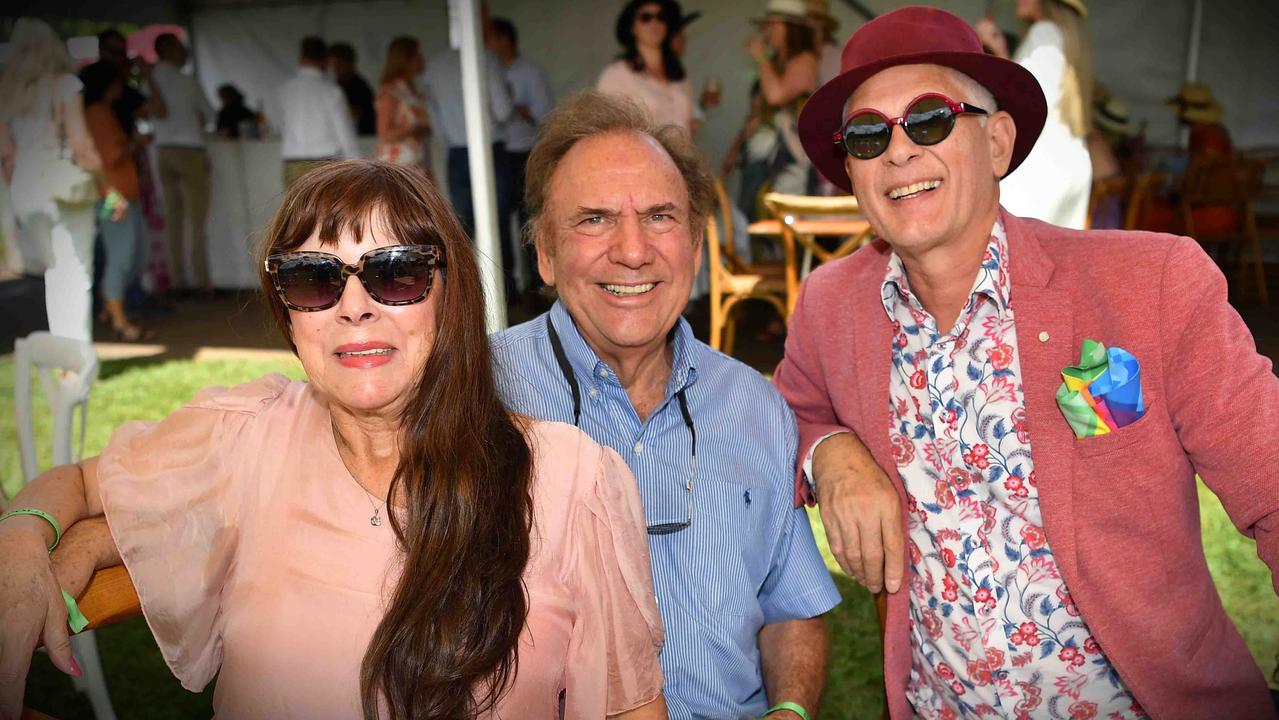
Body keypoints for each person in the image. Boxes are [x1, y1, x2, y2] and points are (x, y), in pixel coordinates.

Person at [0, 160, 668, 720]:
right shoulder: (247, 437)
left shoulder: (569, 480)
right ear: (287, 313)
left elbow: (628, 707)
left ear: (449, 295)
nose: (354, 307)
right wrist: (22, 536)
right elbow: (84, 484)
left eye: (396, 273)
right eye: (313, 278)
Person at [776, 7, 1279, 719]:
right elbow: (786, 411)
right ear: (850, 170)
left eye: (928, 119)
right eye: (866, 134)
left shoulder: (1150, 285)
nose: (897, 152)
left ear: (997, 140)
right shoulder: (832, 304)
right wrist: (831, 454)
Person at [492, 91, 840, 720]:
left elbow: (791, 609)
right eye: (594, 219)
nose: (632, 250)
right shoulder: (480, 396)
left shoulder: (753, 405)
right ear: (544, 253)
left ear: (696, 248)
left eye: (660, 217)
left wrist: (789, 712)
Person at [0, 18, 103, 342]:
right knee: (75, 275)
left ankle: (64, 354)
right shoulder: (64, 84)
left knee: (54, 274)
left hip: (25, 191)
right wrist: (103, 181)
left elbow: (5, 153)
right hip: (62, 186)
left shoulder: (7, 92)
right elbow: (81, 144)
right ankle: (76, 363)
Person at [976, 0, 1092, 229]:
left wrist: (992, 47)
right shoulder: (1066, 40)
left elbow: (1023, 100)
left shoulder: (1044, 33)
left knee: (1019, 253)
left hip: (1041, 170)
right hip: (1071, 163)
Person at [423, 11, 514, 251]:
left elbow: (434, 117)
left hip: (456, 151)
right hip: (489, 149)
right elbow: (503, 110)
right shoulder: (486, 58)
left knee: (463, 229)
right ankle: (502, 287)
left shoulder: (434, 65)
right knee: (497, 224)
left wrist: (450, 140)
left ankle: (467, 285)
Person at [80, 61, 152, 341]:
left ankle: (111, 312)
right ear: (111, 85)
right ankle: (120, 321)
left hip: (118, 195)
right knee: (122, 257)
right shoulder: (98, 113)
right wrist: (132, 143)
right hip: (113, 197)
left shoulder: (98, 112)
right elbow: (109, 156)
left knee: (132, 255)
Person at [488, 17, 554, 294]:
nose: (485, 44)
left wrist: (519, 110)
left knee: (529, 219)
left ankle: (538, 284)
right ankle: (507, 286)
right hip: (497, 153)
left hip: (526, 152)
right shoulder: (487, 70)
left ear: (504, 39)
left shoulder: (529, 72)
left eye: (490, 37)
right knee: (499, 220)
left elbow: (546, 114)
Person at [149, 32, 215, 295]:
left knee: (173, 220)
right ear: (169, 49)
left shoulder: (150, 79)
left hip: (163, 150)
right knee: (196, 221)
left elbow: (156, 111)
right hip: (190, 150)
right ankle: (201, 281)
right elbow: (209, 115)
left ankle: (177, 281)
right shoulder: (187, 81)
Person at [597, 0, 697, 135]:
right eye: (646, 18)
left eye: (661, 17)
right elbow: (606, 131)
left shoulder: (678, 73)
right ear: (632, 27)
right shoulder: (617, 73)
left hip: (682, 155)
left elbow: (689, 123)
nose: (654, 23)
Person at [278, 36, 360, 189]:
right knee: (328, 212)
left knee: (295, 211)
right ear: (326, 60)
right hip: (325, 164)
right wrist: (356, 167)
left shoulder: (285, 89)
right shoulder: (332, 91)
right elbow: (345, 134)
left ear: (301, 57)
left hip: (292, 162)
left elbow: (279, 125)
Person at [374, 37, 430, 170]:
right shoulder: (391, 92)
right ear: (406, 60)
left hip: (417, 160)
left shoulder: (413, 91)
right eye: (417, 56)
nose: (422, 59)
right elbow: (384, 134)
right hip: (398, 164)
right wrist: (413, 129)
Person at [1168, 81, 1232, 158]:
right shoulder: (1203, 130)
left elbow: (1207, 163)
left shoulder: (1207, 134)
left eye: (1179, 113)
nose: (1176, 116)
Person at [329, 42, 377, 137]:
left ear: (349, 63)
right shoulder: (336, 85)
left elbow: (358, 113)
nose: (335, 68)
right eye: (333, 64)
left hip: (362, 137)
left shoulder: (360, 86)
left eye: (339, 64)